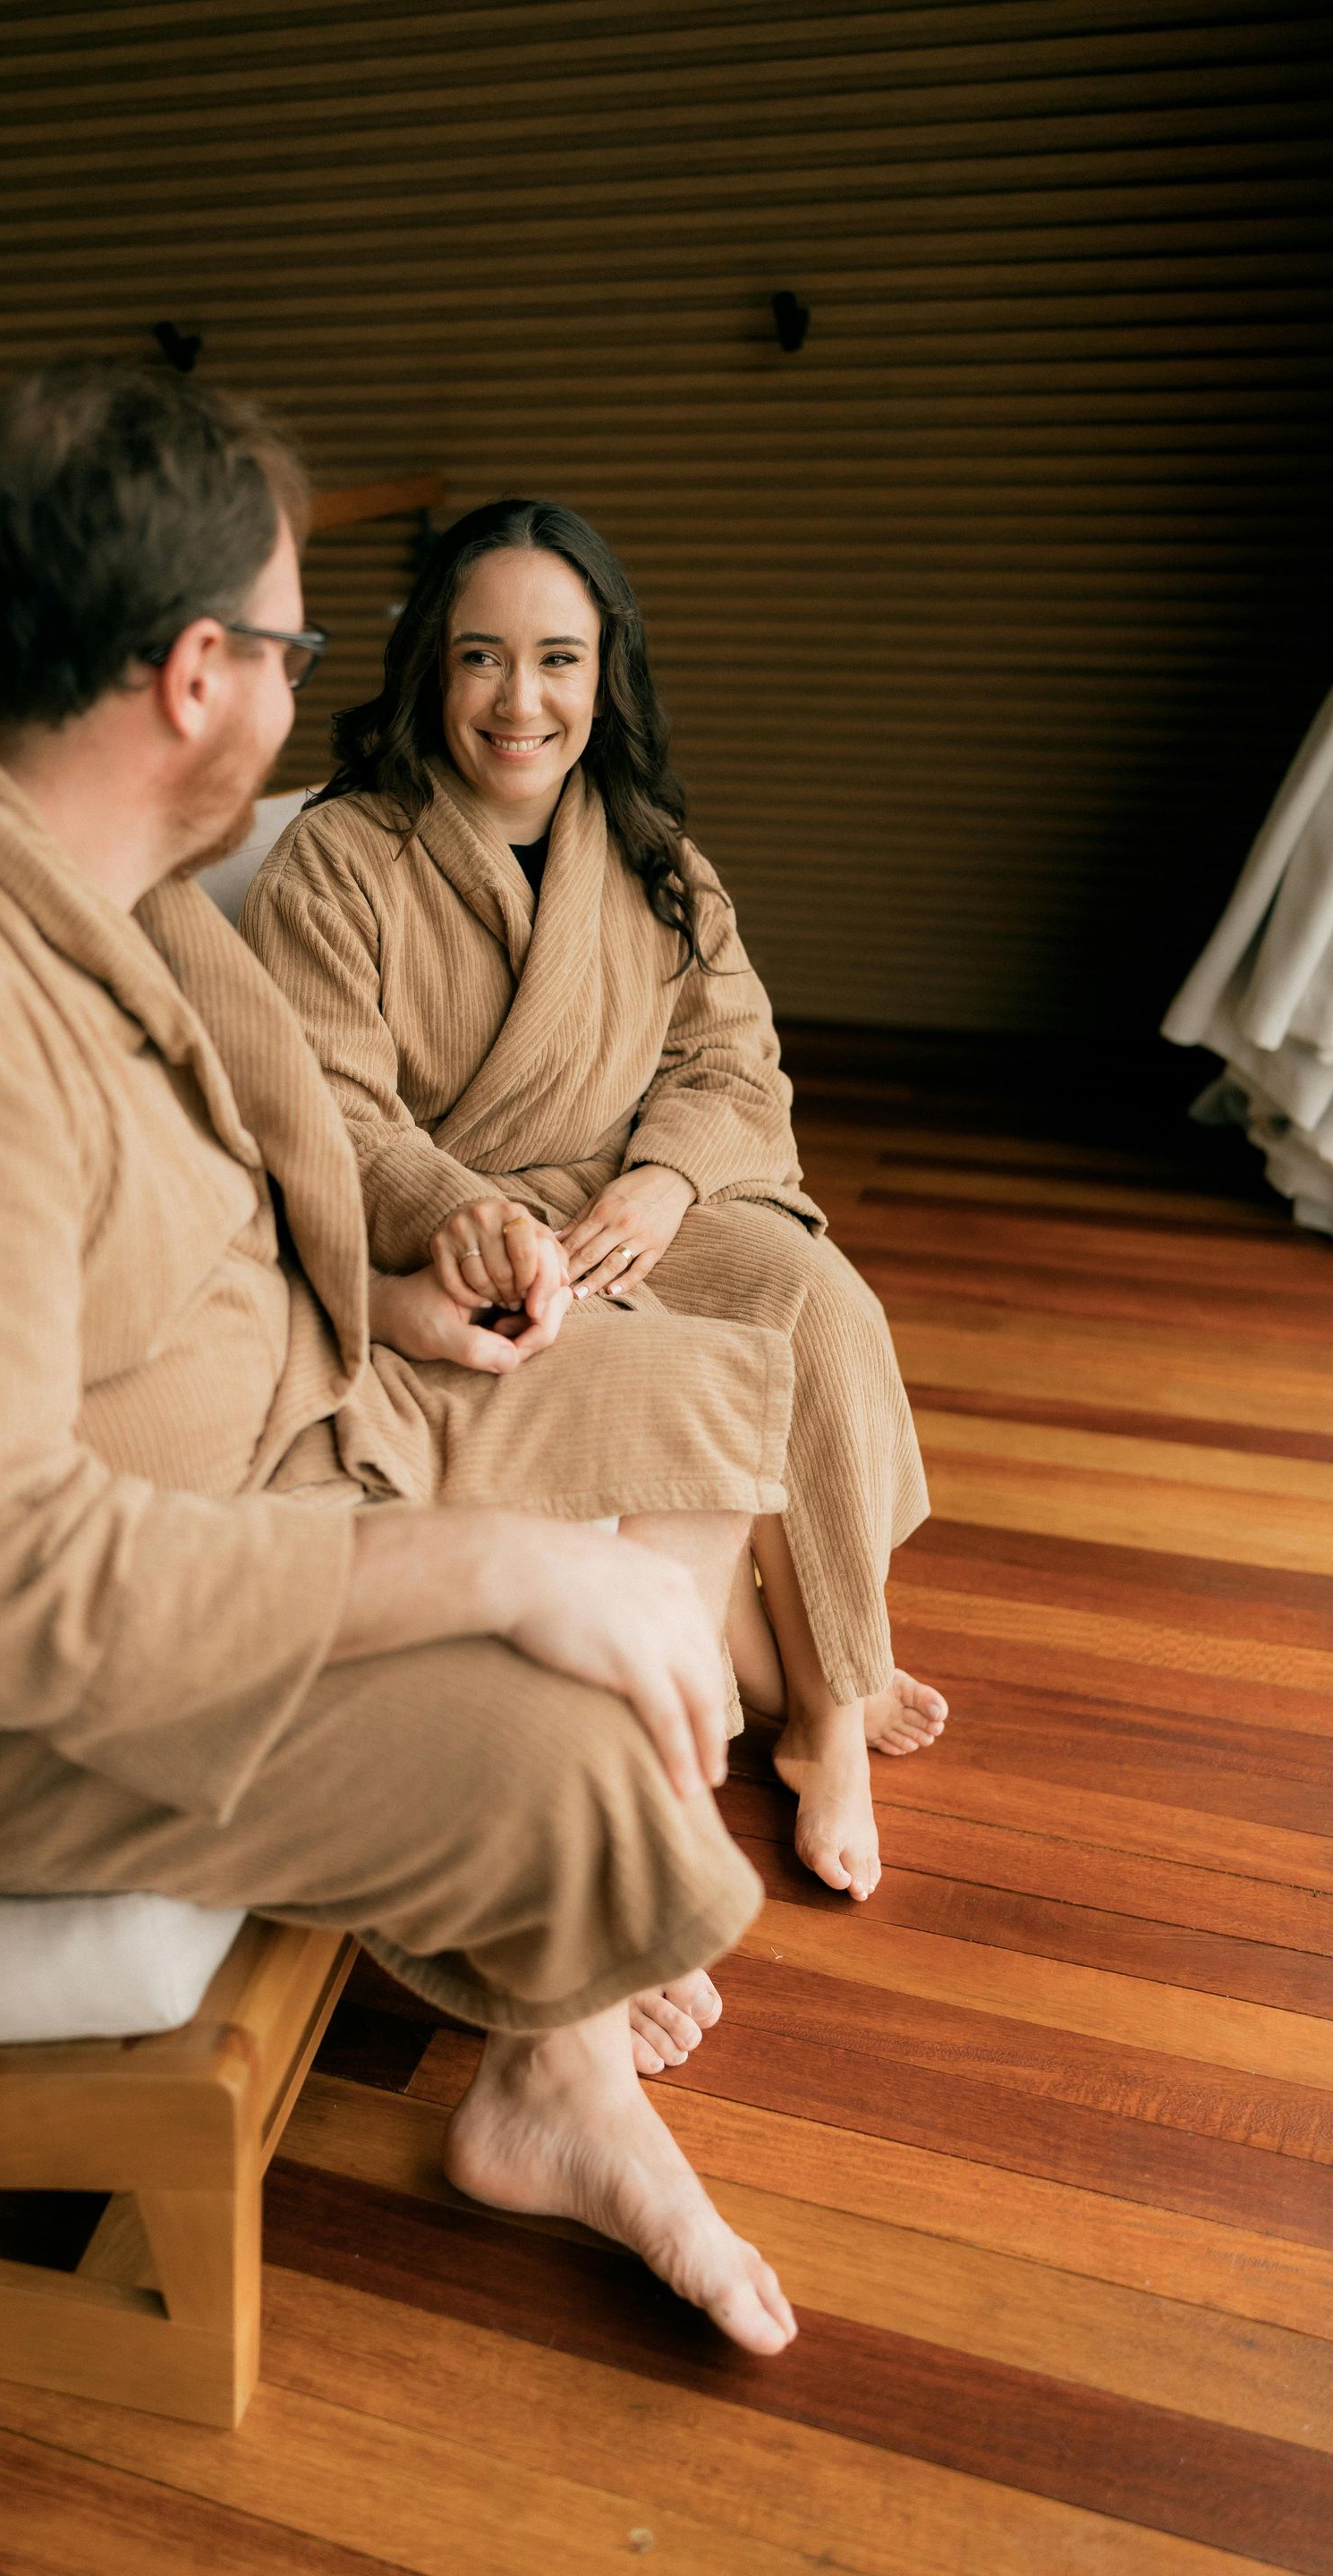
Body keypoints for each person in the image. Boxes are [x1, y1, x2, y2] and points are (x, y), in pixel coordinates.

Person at [0, 365, 799, 2356]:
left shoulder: (90, 873)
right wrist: (507, 1564)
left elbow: (216, 1214)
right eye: (294, 646)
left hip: (286, 1423)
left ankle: (542, 2063)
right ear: (199, 675)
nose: (299, 685)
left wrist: (410, 1315)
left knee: (701, 1382)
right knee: (585, 1767)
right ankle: (557, 2072)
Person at [242, 498, 946, 1962]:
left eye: (557, 659)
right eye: (483, 658)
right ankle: (813, 1660)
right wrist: (464, 1210)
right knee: (693, 1363)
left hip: (638, 1196)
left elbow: (735, 1061)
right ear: (432, 667)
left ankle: (824, 1714)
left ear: (602, 674)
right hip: (478, 1233)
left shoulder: (651, 855)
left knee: (818, 1302)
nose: (521, 700)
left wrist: (675, 1178)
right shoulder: (340, 860)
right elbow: (331, 1109)